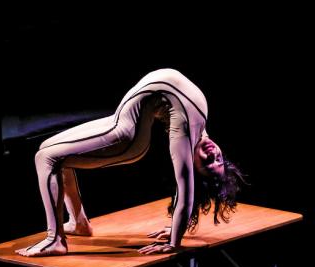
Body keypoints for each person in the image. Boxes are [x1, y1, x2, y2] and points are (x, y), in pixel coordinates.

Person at [17, 68, 245, 257]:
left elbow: (186, 193)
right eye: (219, 159)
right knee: (48, 148)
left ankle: (55, 239)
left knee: (46, 158)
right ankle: (79, 223)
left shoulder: (184, 135)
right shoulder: (200, 121)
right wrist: (179, 227)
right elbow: (185, 195)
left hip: (126, 135)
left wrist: (174, 242)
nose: (213, 154)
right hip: (120, 120)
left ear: (195, 169)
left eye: (208, 163)